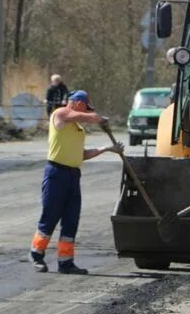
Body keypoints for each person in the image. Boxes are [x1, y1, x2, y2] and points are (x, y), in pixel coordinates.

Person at [29, 90, 124, 274]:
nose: (86, 113)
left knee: (71, 219)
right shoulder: (60, 114)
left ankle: (66, 262)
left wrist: (107, 149)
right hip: (56, 173)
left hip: (73, 175)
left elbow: (81, 154)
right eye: (86, 108)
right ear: (79, 104)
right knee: (51, 215)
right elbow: (83, 116)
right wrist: (99, 118)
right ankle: (36, 253)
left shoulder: (77, 128)